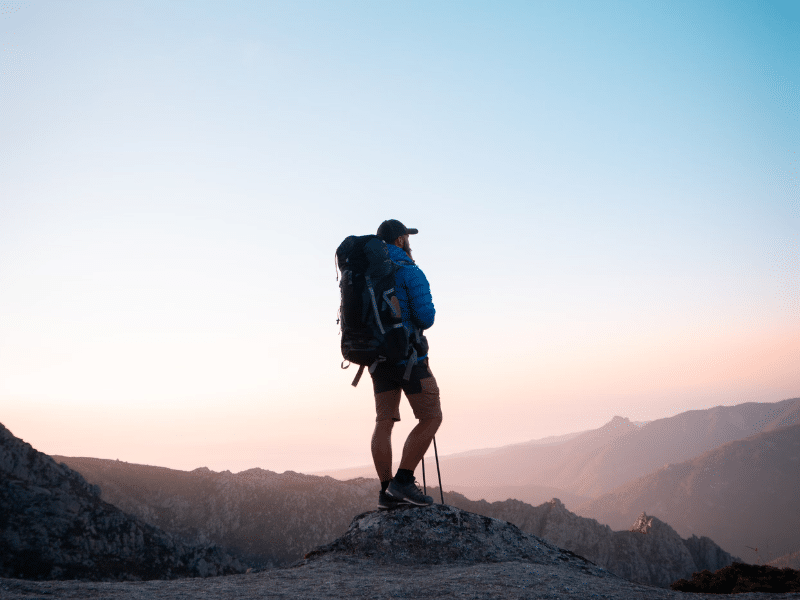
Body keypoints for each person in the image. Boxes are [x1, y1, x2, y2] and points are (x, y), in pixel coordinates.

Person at [371, 219, 442, 508]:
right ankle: (402, 481)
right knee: (431, 417)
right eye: (406, 237)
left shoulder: (368, 274)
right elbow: (426, 318)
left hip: (377, 359)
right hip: (409, 357)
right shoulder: (410, 271)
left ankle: (386, 490)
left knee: (384, 421)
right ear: (400, 241)